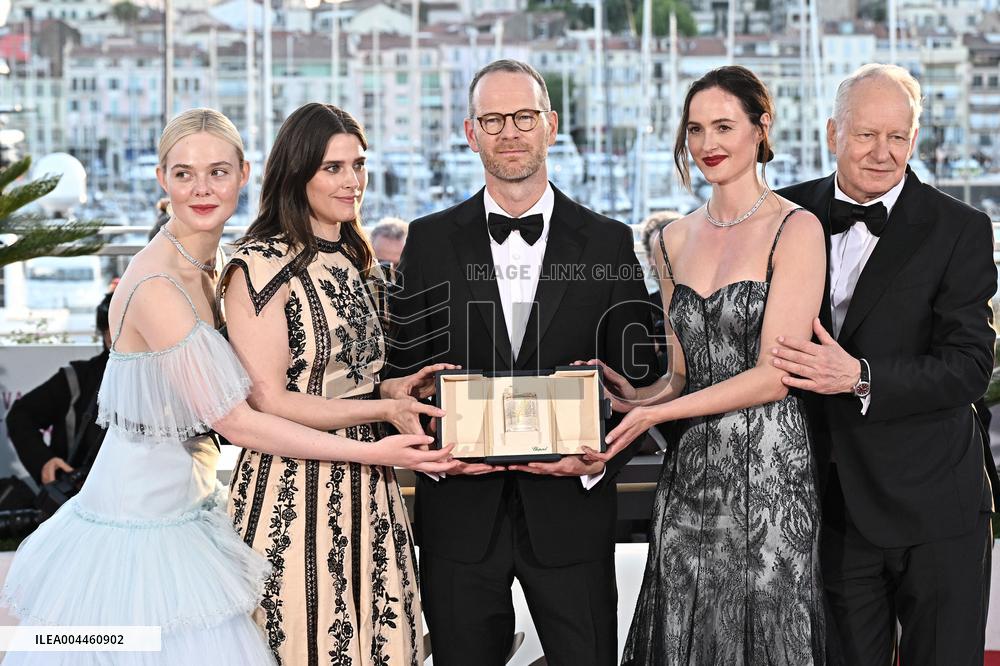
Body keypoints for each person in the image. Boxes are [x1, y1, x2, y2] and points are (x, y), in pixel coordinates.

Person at [0, 108, 446, 666]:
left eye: (217, 171)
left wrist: (388, 395)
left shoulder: (211, 264)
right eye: (184, 174)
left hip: (193, 505)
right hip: (137, 526)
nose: (202, 188)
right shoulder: (159, 281)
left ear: (244, 174)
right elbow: (239, 419)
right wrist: (371, 445)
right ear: (162, 179)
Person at [388, 59, 657, 666]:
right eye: (492, 119)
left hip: (572, 515)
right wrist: (432, 459)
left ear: (550, 125)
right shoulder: (427, 241)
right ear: (470, 132)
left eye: (524, 116)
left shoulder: (609, 240)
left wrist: (596, 459)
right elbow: (401, 374)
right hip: (458, 515)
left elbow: (638, 383)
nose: (509, 131)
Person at [584, 65, 828, 663]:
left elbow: (776, 375)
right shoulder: (670, 240)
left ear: (760, 127)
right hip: (691, 476)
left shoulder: (797, 227)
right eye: (695, 129)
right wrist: (636, 401)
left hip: (772, 474)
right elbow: (684, 375)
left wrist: (651, 420)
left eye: (724, 126)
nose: (707, 145)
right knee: (682, 632)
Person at [220, 102, 456, 665]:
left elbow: (352, 381)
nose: (352, 181)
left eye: (359, 164)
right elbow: (269, 400)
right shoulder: (257, 265)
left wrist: (395, 394)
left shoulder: (356, 256)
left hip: (369, 490)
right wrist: (376, 419)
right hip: (293, 496)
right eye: (333, 168)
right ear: (296, 172)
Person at [776, 64, 997, 665]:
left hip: (936, 511)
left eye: (897, 137)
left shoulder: (961, 229)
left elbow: (969, 367)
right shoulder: (784, 214)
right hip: (829, 509)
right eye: (866, 135)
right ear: (831, 134)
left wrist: (860, 377)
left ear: (914, 140)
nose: (883, 153)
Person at [7, 292, 113, 487]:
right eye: (112, 326)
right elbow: (20, 416)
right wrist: (44, 462)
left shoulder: (160, 380)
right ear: (104, 332)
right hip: (79, 500)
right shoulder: (76, 378)